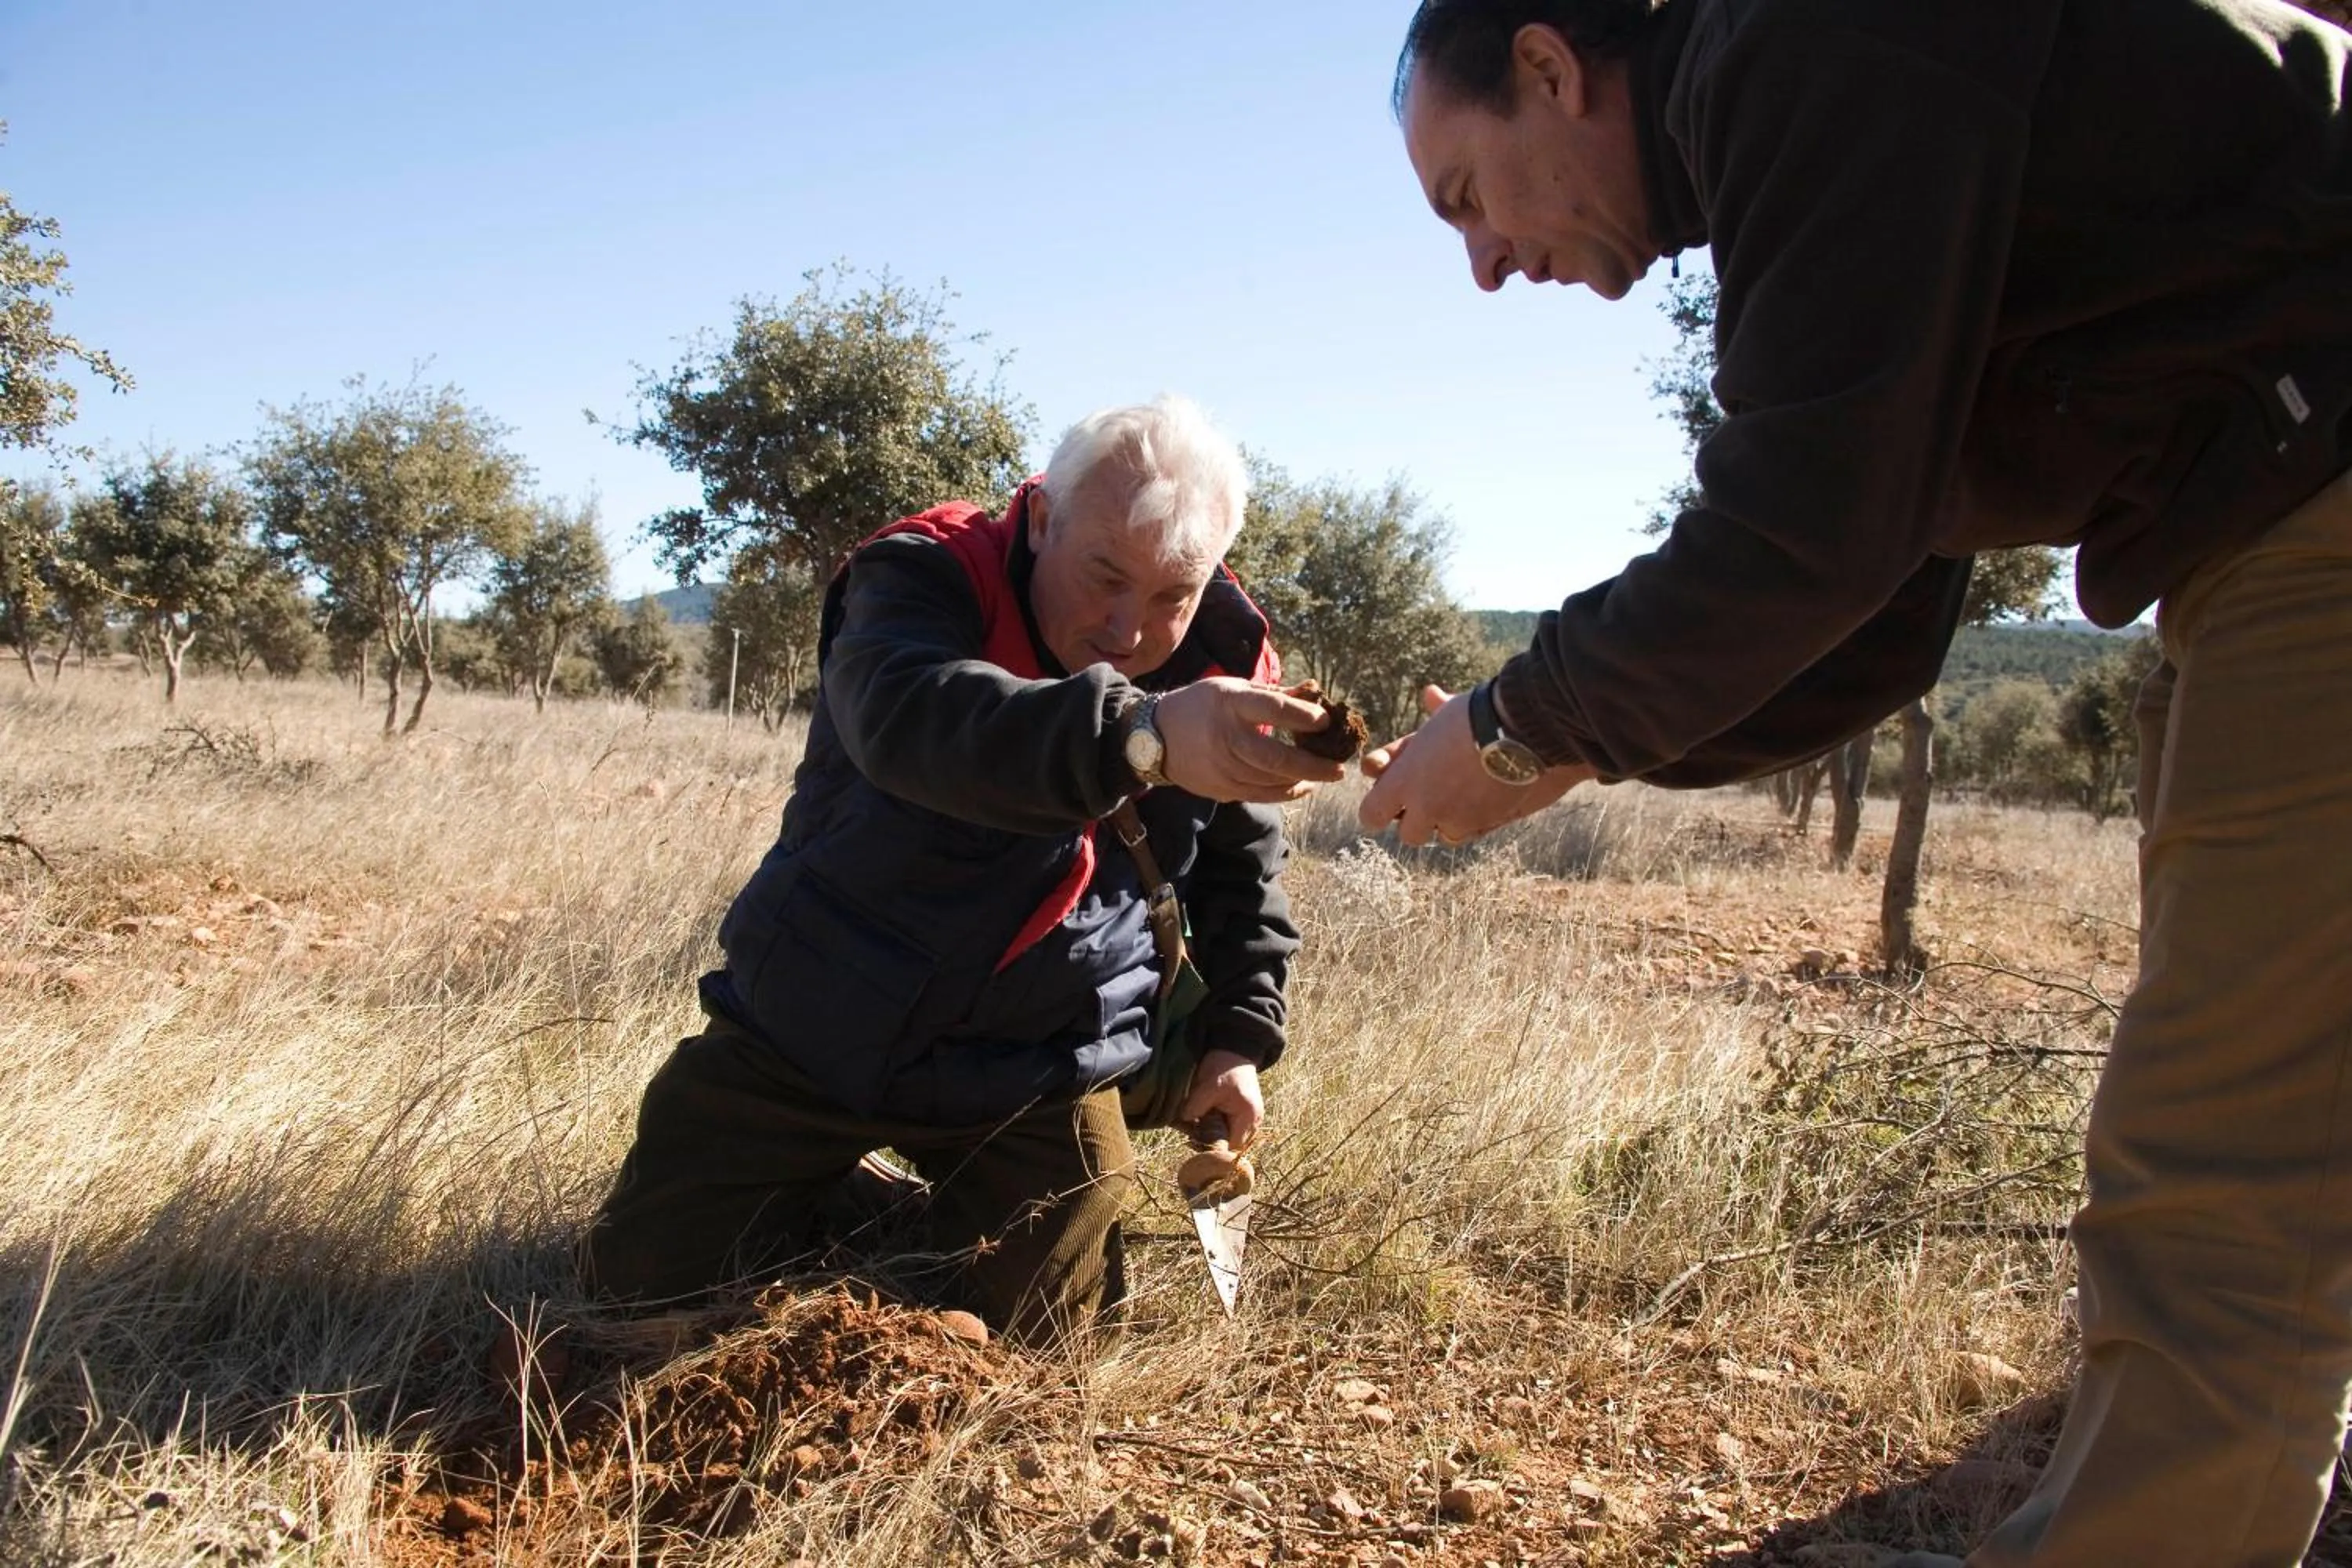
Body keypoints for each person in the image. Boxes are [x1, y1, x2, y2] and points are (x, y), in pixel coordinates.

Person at [1369, 0, 2352, 1563]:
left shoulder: (1799, 41)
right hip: (2270, 513)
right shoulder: (1814, 106)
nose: (1483, 265)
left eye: (1467, 197)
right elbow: (1876, 620)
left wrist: (1517, 723)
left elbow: (1804, 531)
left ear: (1550, 68)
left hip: (2321, 502)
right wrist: (1563, 746)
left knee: (2218, 1184)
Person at [579, 395, 1341, 1345]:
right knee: (633, 1285)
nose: (1126, 628)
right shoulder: (925, 574)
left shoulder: (1227, 664)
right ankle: (832, 1193)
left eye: (1168, 598)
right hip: (814, 1023)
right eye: (1105, 575)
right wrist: (1140, 737)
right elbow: (914, 720)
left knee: (1040, 1336)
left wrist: (1236, 1039)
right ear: (1042, 518)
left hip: (1039, 1060)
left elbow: (1241, 873)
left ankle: (902, 1221)